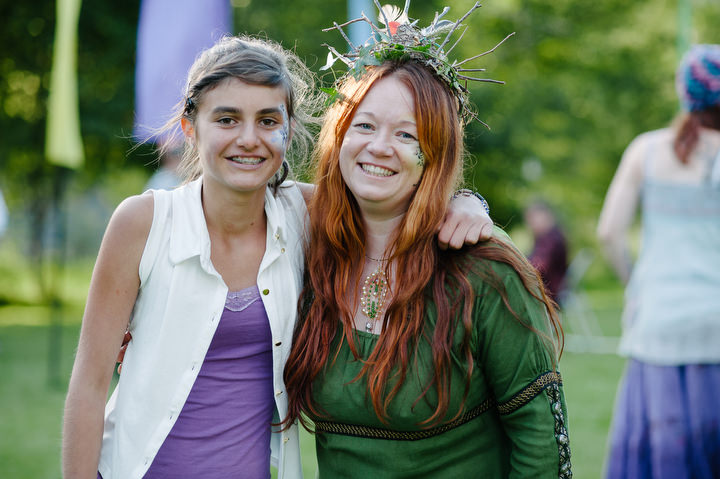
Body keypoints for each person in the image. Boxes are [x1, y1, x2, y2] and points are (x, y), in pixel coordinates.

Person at [62, 35, 493, 479]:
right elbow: (89, 385)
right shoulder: (143, 222)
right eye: (227, 119)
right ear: (191, 127)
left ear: (288, 127)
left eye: (268, 120)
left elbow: (397, 201)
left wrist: (465, 201)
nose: (249, 139)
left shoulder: (307, 216)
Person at [283, 5, 572, 477]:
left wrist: (465, 202)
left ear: (433, 157)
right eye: (365, 125)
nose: (380, 146)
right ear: (338, 136)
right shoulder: (305, 246)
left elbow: (542, 440)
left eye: (406, 134)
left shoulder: (484, 268)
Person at [597, 44, 720, 478]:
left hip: (658, 325)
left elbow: (609, 233)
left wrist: (635, 283)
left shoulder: (646, 151)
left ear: (684, 93)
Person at [524, 199, 568, 304]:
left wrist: (518, 264)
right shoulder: (550, 235)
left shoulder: (550, 238)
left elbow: (539, 267)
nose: (530, 223)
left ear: (546, 216)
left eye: (533, 218)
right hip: (548, 286)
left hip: (549, 290)